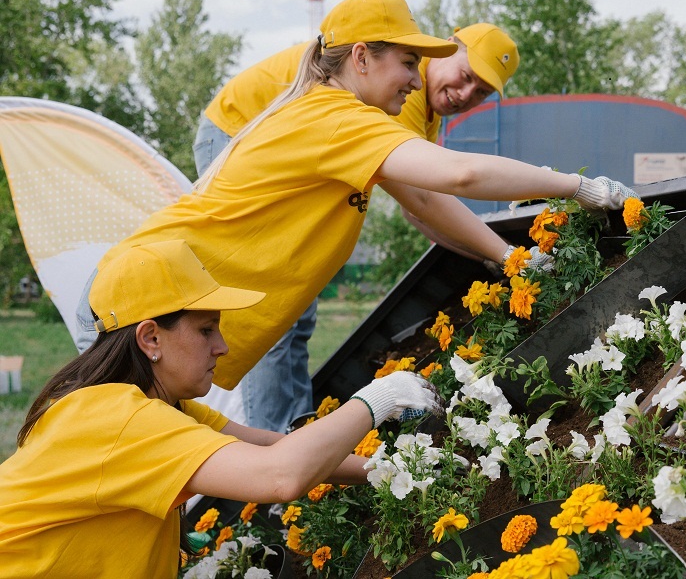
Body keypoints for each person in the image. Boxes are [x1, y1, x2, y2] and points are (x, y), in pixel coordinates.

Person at [76, 0, 636, 427]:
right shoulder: (336, 117)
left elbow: (431, 200)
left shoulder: (346, 112)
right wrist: (573, 189)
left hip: (155, 309)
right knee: (118, 476)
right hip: (139, 309)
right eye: (408, 62)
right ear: (362, 57)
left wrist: (506, 257)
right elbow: (449, 181)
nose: (417, 78)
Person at [0, 239, 439, 578]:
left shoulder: (165, 408)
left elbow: (279, 450)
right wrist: (382, 397)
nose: (222, 346)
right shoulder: (119, 418)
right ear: (151, 338)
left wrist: (395, 472)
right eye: (207, 329)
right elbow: (280, 476)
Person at [185, 17, 522, 432]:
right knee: (272, 300)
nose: (467, 93)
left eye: (482, 92)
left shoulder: (420, 100)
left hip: (262, 135)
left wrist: (488, 256)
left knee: (297, 311)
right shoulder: (402, 82)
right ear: (447, 50)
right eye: (467, 76)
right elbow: (420, 198)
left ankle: (292, 433)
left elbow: (419, 210)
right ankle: (274, 443)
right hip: (233, 126)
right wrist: (504, 255)